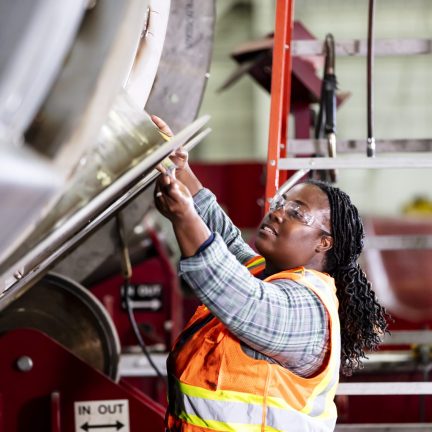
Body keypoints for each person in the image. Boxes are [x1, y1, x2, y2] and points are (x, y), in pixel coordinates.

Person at [151, 116, 388, 432]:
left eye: (297, 213)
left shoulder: (308, 311)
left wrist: (184, 217)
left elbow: (243, 301)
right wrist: (179, 168)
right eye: (281, 204)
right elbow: (224, 238)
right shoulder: (263, 273)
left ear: (323, 243)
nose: (277, 213)